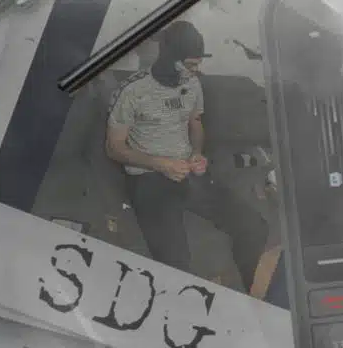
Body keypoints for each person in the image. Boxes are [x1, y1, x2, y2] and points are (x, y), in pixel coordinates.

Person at [105, 20, 269, 293]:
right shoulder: (132, 92)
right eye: (190, 65)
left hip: (187, 173)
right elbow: (114, 148)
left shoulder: (192, 84)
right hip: (149, 180)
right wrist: (161, 164)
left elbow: (195, 123)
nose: (196, 71)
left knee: (254, 227)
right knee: (176, 263)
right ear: (170, 58)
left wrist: (197, 153)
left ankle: (249, 300)